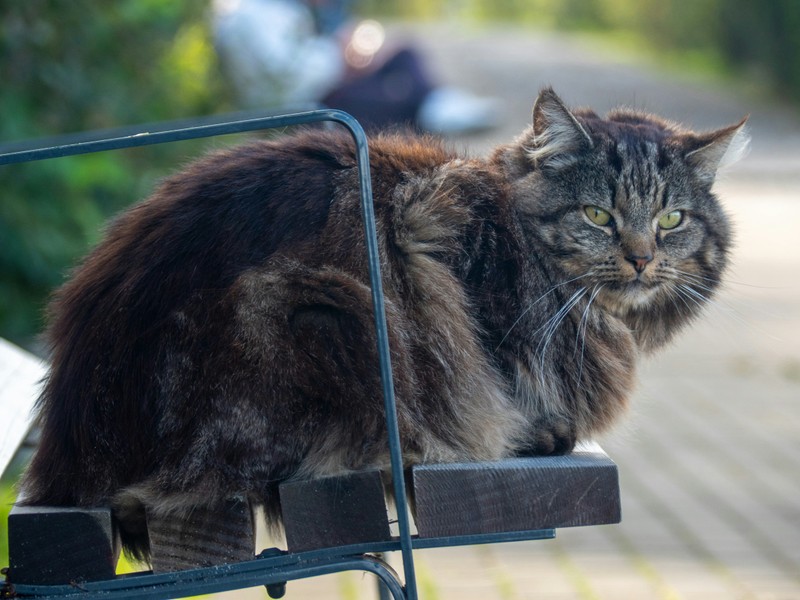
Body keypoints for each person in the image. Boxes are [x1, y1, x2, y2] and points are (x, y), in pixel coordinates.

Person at [212, 0, 500, 133]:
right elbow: (283, 81)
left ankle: (439, 105)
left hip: (325, 92)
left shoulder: (279, 10)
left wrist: (350, 55)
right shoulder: (251, 15)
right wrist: (340, 56)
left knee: (402, 52)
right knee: (404, 102)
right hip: (309, 113)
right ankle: (435, 111)